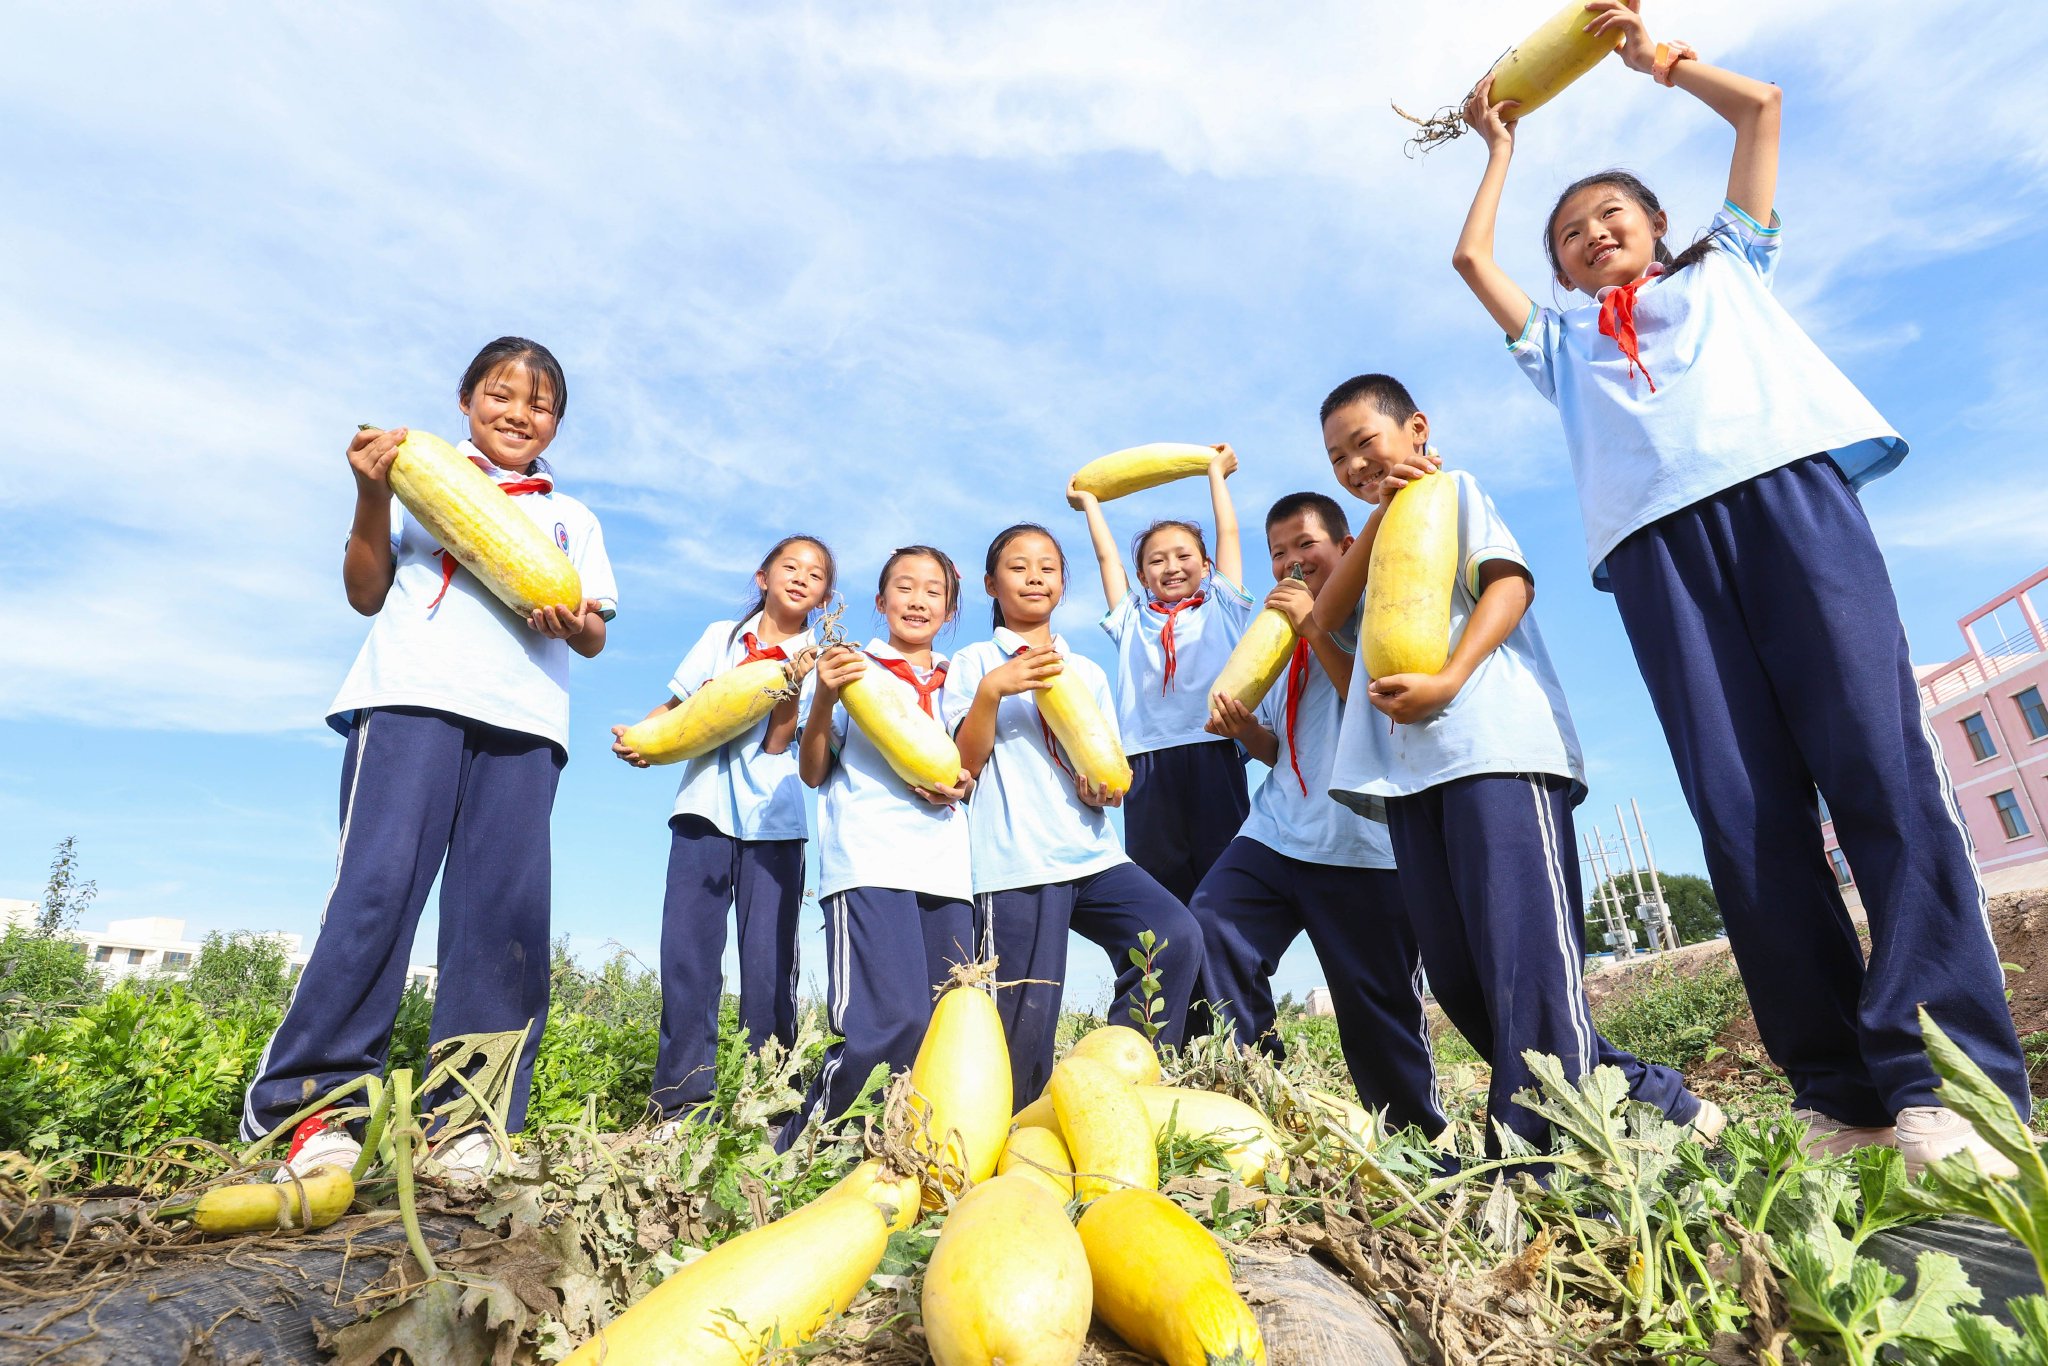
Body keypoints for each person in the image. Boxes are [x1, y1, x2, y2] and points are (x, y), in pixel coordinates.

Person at [1450, 0, 2024, 1171]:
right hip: (1661, 558)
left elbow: (1760, 109)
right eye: (1567, 233)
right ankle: (1842, 1094)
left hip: (1789, 510)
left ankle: (1948, 1081)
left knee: (1875, 770)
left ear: (1655, 227)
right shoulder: (1562, 348)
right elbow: (1470, 259)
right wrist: (1500, 149)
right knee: (1744, 817)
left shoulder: (1727, 268)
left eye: (1609, 215)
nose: (1589, 235)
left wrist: (1655, 64)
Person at [1317, 373, 1719, 1157]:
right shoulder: (1384, 535)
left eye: (1365, 443)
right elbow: (1328, 619)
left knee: (1527, 968)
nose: (1354, 464)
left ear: (1418, 430)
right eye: (1337, 460)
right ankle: (1653, 1098)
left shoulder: (1454, 490)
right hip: (1412, 775)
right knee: (1464, 980)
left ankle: (1539, 1160)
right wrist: (1376, 511)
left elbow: (1510, 585)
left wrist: (1449, 677)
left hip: (1494, 750)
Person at [244, 337, 616, 1179]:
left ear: (557, 423)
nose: (519, 414)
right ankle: (313, 1111)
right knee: (375, 892)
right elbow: (365, 591)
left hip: (525, 722)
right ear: (465, 400)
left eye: (541, 404)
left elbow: (592, 634)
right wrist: (370, 492)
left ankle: (468, 1120)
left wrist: (569, 619)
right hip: (411, 698)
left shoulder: (574, 520)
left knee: (500, 920)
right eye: (500, 394)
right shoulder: (418, 480)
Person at [1196, 492, 1442, 1137]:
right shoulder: (1278, 642)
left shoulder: (1376, 612)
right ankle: (1256, 1093)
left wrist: (1314, 626)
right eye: (1278, 552)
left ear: (1344, 549)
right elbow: (1276, 748)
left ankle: (1419, 1144)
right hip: (1276, 832)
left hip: (1366, 847)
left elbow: (1377, 706)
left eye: (1306, 545)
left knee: (1377, 1011)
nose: (1291, 562)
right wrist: (1242, 727)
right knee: (1212, 929)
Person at [944, 523, 1205, 1103]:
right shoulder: (974, 663)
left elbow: (1104, 770)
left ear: (1063, 584)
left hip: (1093, 854)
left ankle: (1120, 1089)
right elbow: (963, 767)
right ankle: (1015, 1141)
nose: (1034, 576)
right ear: (991, 584)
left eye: (1047, 566)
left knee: (1173, 935)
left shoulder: (1084, 671)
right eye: (1017, 566)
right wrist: (992, 691)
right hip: (1016, 862)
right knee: (1023, 1026)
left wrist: (1101, 793)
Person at [613, 536, 832, 1123]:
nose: (801, 578)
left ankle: (770, 1104)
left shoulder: (820, 656)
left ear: (825, 596)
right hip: (701, 812)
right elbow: (680, 709)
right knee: (687, 957)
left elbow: (778, 741)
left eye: (815, 575)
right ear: (763, 577)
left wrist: (792, 682)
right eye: (790, 566)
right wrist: (640, 735)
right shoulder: (720, 638)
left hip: (774, 823)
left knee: (767, 964)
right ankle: (681, 1104)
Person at [789, 545, 977, 1135]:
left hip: (948, 870)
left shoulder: (958, 680)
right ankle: (809, 1148)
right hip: (869, 860)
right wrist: (823, 696)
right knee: (884, 1023)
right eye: (904, 587)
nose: (918, 600)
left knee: (941, 1029)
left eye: (933, 592)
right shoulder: (852, 670)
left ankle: (899, 1150)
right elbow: (813, 771)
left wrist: (962, 777)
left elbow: (971, 766)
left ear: (949, 610)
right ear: (880, 600)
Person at [1067, 447, 1253, 905]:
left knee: (1224, 883)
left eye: (1183, 555)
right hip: (1147, 761)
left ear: (1206, 566)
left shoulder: (1223, 604)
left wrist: (1215, 475)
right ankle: (1166, 975)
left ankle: (1229, 975)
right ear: (1142, 576)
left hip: (1215, 751)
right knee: (1160, 887)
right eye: (1156, 561)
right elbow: (1106, 559)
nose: (1171, 567)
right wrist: (1092, 504)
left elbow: (1228, 530)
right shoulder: (1132, 618)